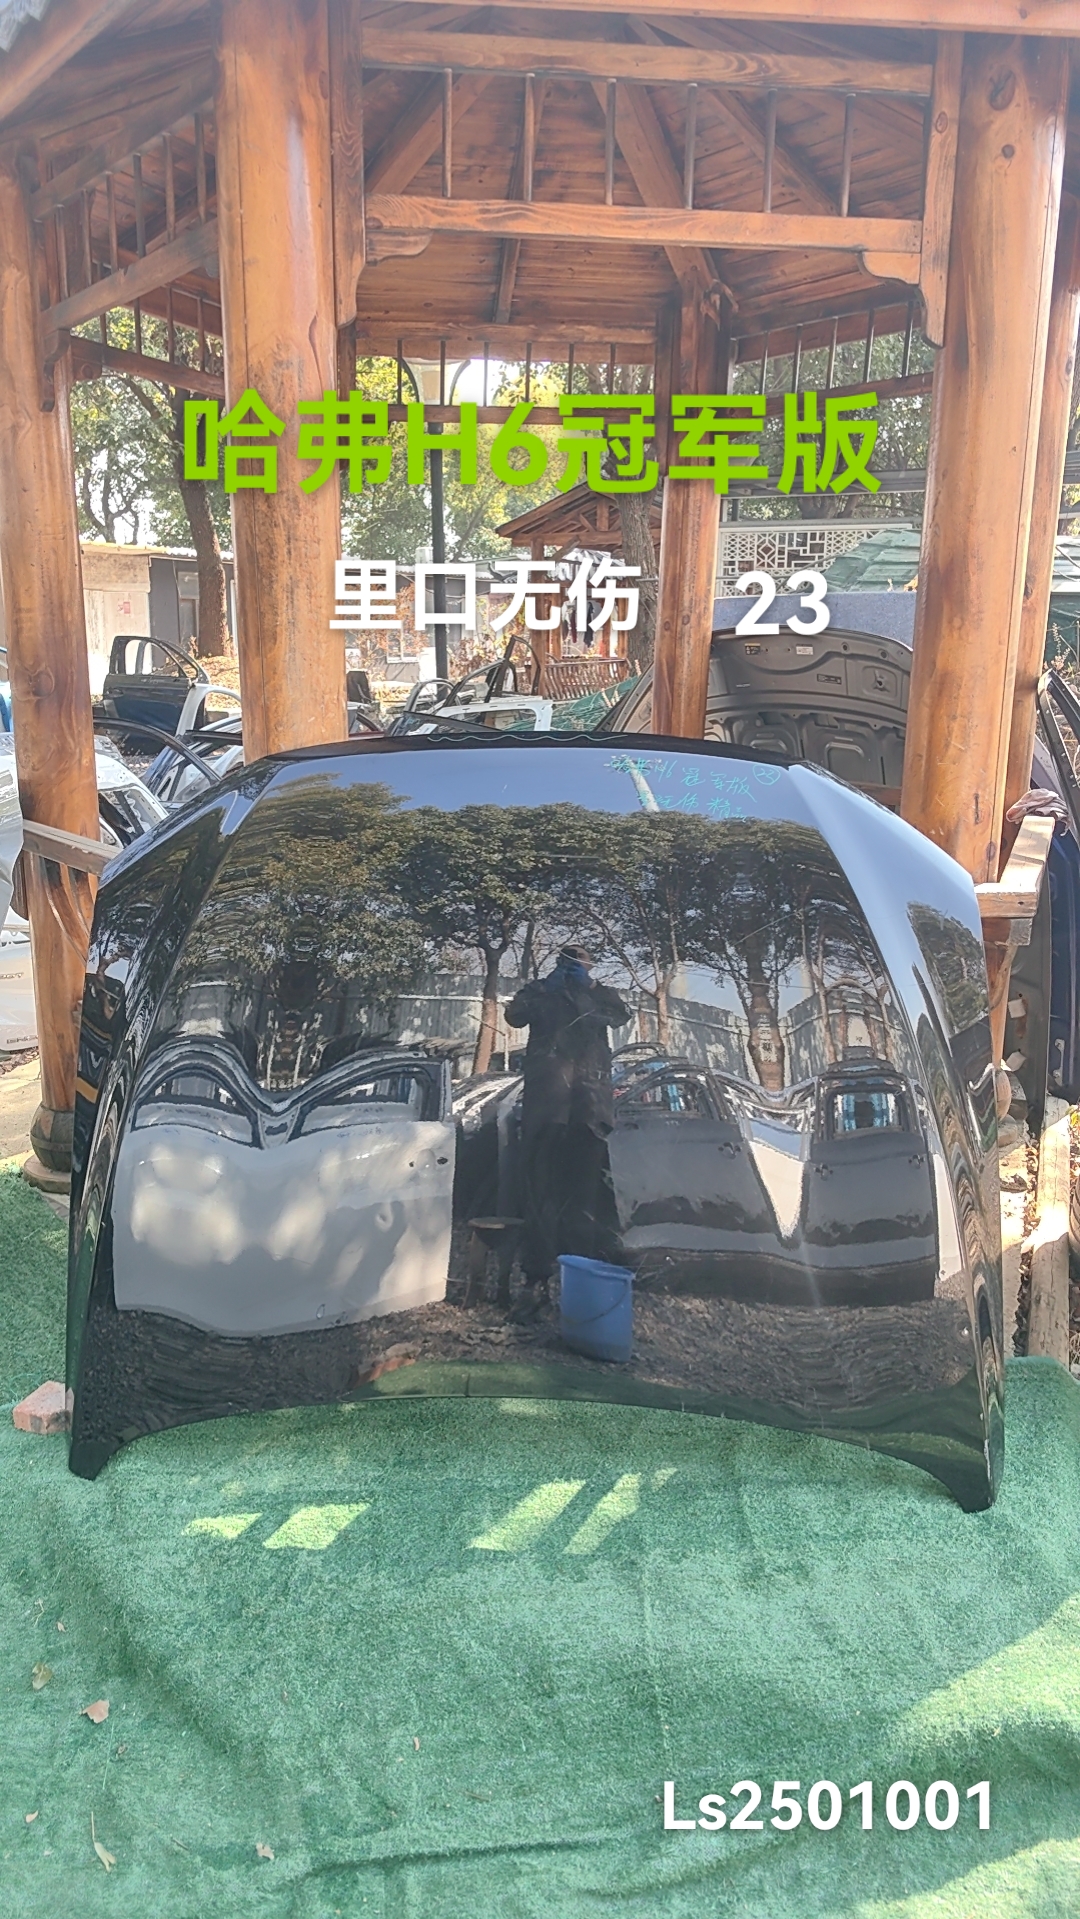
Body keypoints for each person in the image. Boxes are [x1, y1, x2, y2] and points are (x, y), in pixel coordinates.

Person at [504, 945, 630, 1316]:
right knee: (540, 1194)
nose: (573, 963)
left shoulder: (601, 995)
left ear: (589, 965)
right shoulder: (541, 992)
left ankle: (582, 1281)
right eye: (567, 958)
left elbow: (621, 1015)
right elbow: (514, 1016)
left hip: (589, 1110)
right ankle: (536, 1280)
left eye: (580, 959)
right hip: (547, 1108)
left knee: (585, 1197)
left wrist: (589, 988)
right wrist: (547, 987)